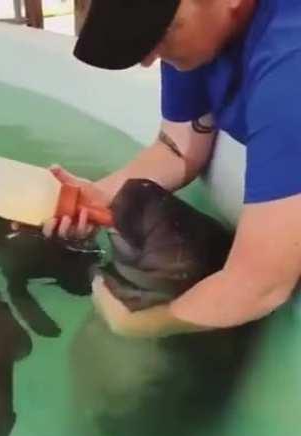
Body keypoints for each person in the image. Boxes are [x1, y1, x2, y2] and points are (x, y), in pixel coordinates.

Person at [44, 0, 301, 338]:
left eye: (162, 33)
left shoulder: (290, 68)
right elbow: (177, 148)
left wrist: (142, 323)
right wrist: (100, 197)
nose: (148, 57)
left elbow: (260, 285)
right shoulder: (197, 27)